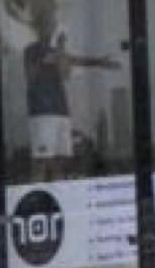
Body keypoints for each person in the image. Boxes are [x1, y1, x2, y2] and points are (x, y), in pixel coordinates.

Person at [23, 29, 119, 174]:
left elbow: (76, 62)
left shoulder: (56, 52)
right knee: (42, 159)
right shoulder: (31, 50)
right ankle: (43, 183)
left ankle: (60, 182)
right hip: (43, 113)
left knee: (61, 157)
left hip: (61, 111)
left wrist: (101, 62)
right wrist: (50, 57)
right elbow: (31, 75)